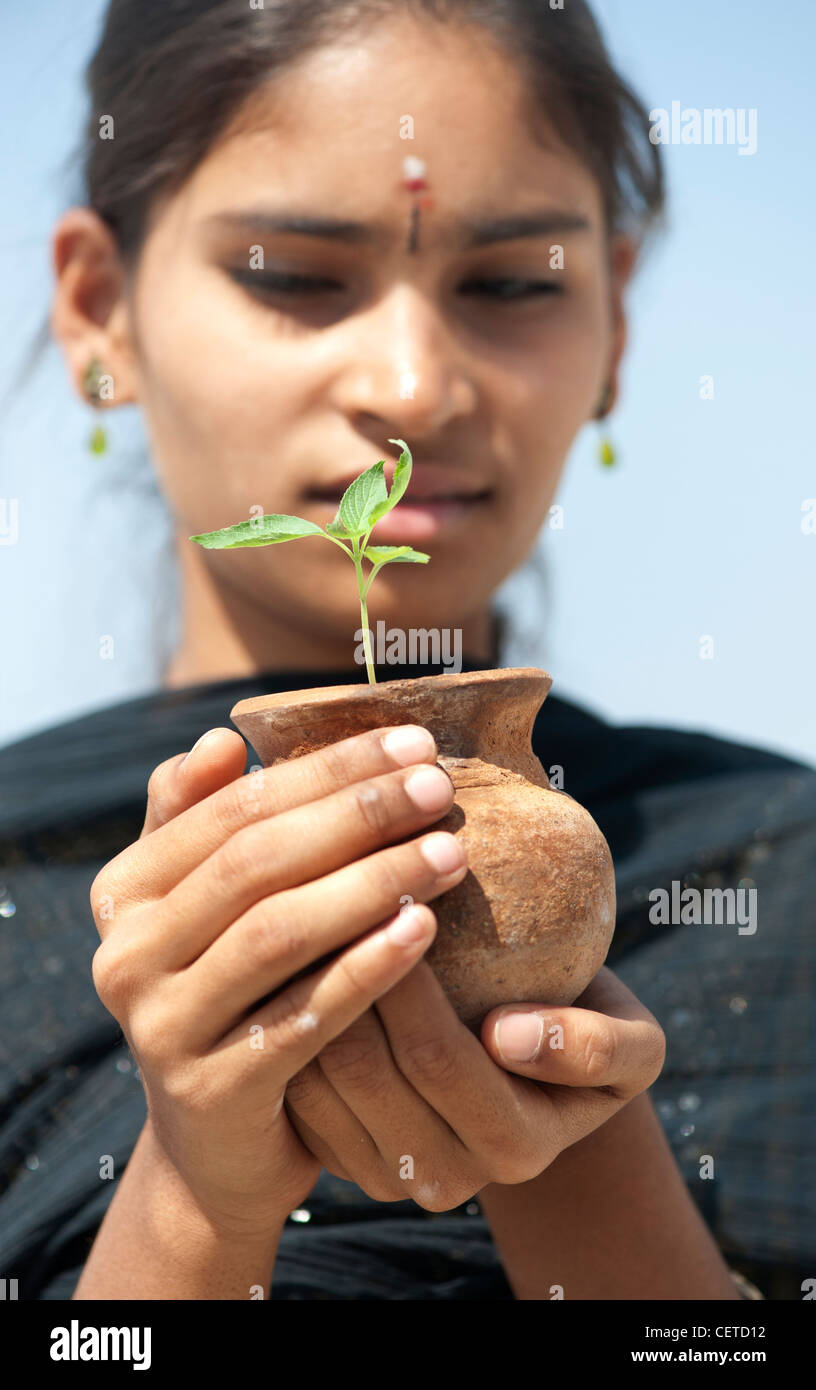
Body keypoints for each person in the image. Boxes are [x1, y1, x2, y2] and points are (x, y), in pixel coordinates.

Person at [0, 0, 811, 1301]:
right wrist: (191, 1187)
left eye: (512, 283)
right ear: (100, 310)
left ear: (614, 329)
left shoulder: (783, 873)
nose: (415, 387)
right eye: (292, 274)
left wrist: (566, 1118)